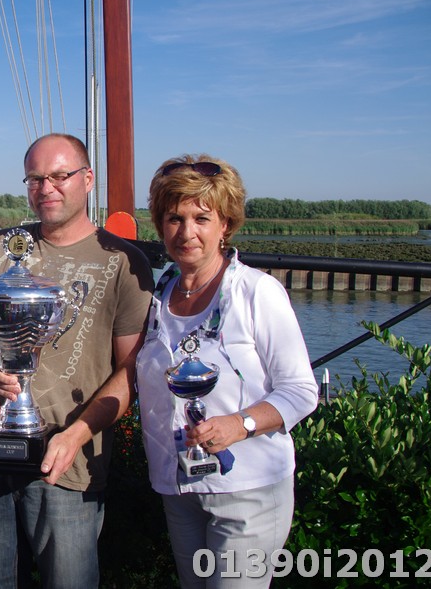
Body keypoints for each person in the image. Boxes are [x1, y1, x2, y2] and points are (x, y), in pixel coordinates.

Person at [0, 133, 155, 589]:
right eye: (35, 179)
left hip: (69, 465)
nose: (47, 188)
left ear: (88, 179)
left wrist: (76, 436)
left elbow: (132, 371)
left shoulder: (124, 262)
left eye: (60, 176)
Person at [136, 155, 319, 587]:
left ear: (226, 225)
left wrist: (240, 424)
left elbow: (300, 390)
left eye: (202, 218)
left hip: (248, 489)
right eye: (174, 218)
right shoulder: (156, 295)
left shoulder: (257, 292)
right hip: (177, 485)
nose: (187, 232)